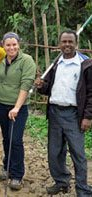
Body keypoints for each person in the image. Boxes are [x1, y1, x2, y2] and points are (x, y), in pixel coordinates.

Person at [35, 29, 92, 196]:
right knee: (55, 152)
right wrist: (41, 86)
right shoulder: (56, 63)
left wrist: (88, 116)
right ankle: (61, 181)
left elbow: (91, 93)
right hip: (54, 113)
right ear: (59, 44)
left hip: (74, 115)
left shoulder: (85, 64)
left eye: (70, 42)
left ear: (76, 43)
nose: (67, 45)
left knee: (78, 154)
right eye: (64, 42)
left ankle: (82, 189)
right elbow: (48, 89)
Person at [0, 32, 36, 190]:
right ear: (3, 45)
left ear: (19, 45)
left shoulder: (27, 60)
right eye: (8, 45)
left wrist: (17, 107)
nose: (11, 47)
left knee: (15, 140)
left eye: (14, 44)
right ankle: (7, 167)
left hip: (19, 107)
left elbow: (26, 85)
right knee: (6, 138)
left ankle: (17, 175)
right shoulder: (0, 61)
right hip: (3, 104)